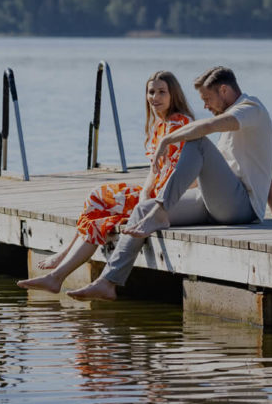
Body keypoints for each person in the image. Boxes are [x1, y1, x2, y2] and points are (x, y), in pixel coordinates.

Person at [67, 65, 272, 301]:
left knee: (197, 141)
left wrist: (167, 140)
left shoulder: (251, 109)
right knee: (143, 208)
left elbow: (208, 127)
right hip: (216, 202)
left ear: (224, 90)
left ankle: (162, 209)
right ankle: (108, 282)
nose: (204, 106)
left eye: (207, 98)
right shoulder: (238, 120)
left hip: (240, 207)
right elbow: (261, 165)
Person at [18, 71, 195, 293]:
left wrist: (149, 201)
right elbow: (154, 170)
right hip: (152, 192)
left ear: (174, 95)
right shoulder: (160, 124)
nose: (155, 97)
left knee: (99, 214)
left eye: (162, 92)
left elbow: (187, 174)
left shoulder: (180, 124)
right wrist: (143, 194)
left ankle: (57, 273)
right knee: (98, 196)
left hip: (167, 198)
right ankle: (60, 266)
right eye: (151, 92)